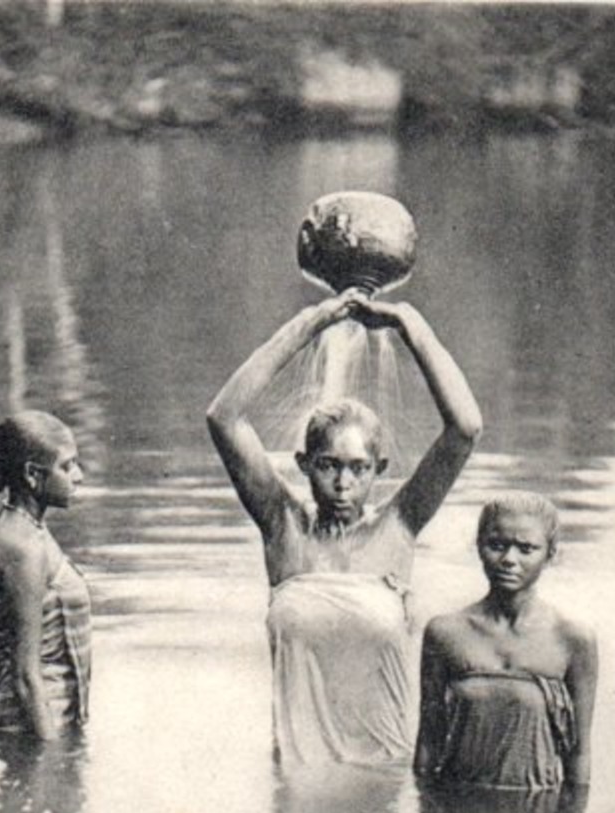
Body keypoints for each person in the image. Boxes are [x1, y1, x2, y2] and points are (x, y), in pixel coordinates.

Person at [206, 291, 481, 766]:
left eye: (358, 468)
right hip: (296, 774)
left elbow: (465, 428)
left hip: (385, 771)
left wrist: (407, 322)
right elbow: (223, 417)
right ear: (304, 465)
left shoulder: (399, 525)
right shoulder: (282, 526)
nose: (342, 482)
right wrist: (310, 323)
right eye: (328, 465)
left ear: (379, 469)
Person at [413, 492, 597, 790]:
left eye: (526, 549)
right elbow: (428, 744)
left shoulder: (573, 639)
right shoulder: (445, 633)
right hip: (456, 808)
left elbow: (580, 754)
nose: (509, 560)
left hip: (535, 812)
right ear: (479, 547)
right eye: (497, 546)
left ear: (551, 554)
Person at [0, 411, 90, 741]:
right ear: (32, 475)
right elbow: (26, 676)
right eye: (66, 467)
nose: (78, 476)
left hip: (42, 716)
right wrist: (52, 760)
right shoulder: (22, 548)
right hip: (31, 725)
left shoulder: (28, 528)